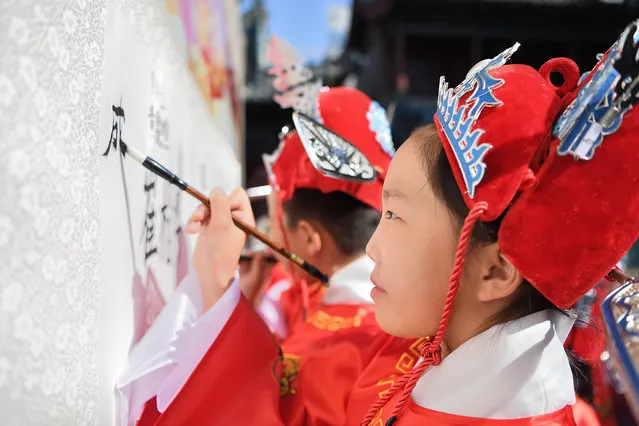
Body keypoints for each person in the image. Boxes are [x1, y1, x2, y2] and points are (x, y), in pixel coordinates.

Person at [134, 21, 639, 425]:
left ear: (495, 271)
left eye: (394, 214)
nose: (372, 248)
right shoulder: (429, 348)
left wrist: (217, 291)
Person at [116, 36, 414, 425]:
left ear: (308, 238)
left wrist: (217, 290)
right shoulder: (414, 321)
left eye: (277, 225)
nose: (271, 238)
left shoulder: (320, 355)